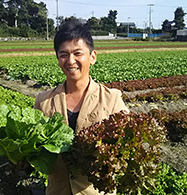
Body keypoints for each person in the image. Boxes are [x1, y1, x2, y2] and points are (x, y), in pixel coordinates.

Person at [34, 20, 129, 195]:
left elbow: (127, 148)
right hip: (57, 190)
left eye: (78, 53)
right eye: (63, 54)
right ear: (57, 58)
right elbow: (35, 149)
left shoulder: (112, 99)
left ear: (92, 57)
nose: (70, 61)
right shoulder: (43, 100)